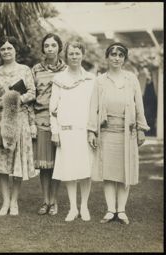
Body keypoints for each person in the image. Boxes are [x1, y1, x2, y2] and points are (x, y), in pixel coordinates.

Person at [87, 42, 150, 224]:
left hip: (127, 131)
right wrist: (92, 131)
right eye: (113, 54)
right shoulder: (100, 81)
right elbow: (94, 107)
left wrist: (141, 129)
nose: (116, 58)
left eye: (120, 55)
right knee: (108, 172)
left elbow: (139, 105)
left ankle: (121, 210)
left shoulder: (132, 79)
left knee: (125, 171)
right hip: (107, 131)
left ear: (124, 58)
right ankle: (110, 209)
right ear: (107, 57)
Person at [0, 36, 36, 216]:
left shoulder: (24, 70)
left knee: (16, 162)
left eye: (9, 48)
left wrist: (14, 99)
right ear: (0, 52)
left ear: (15, 50)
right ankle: (5, 201)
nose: (6, 51)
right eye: (3, 49)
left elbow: (32, 92)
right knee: (2, 162)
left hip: (18, 119)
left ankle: (14, 202)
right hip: (0, 119)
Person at [50, 41, 95, 221]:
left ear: (82, 54)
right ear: (66, 56)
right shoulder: (59, 79)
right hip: (66, 130)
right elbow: (53, 108)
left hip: (85, 131)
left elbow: (94, 106)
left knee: (85, 170)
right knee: (68, 169)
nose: (74, 57)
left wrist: (93, 131)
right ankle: (73, 208)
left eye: (77, 53)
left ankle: (84, 206)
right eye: (71, 54)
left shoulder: (91, 79)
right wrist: (55, 131)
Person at [32, 33, 66, 216]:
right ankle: (45, 201)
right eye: (47, 45)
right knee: (45, 166)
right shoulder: (36, 69)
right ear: (43, 49)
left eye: (53, 45)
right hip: (41, 120)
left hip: (61, 121)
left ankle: (55, 201)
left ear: (59, 47)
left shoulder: (67, 70)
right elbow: (30, 96)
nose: (50, 48)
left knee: (57, 164)